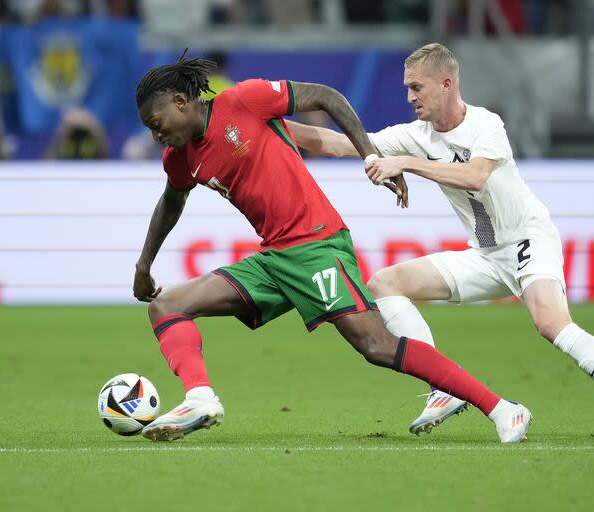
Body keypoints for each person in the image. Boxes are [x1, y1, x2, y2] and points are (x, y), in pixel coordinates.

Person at [131, 51, 532, 443]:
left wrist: (370, 154)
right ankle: (200, 398)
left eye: (156, 122)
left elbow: (325, 96)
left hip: (317, 243)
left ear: (181, 102)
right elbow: (172, 201)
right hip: (275, 259)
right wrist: (144, 264)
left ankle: (501, 407)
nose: (156, 134)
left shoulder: (242, 100)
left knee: (376, 345)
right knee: (166, 306)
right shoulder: (179, 159)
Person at [285, 43, 594, 442]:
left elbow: (475, 176)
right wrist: (273, 126)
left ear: (446, 83)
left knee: (551, 323)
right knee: (386, 282)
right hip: (486, 255)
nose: (409, 97)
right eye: (407, 88)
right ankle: (441, 387)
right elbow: (334, 143)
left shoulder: (485, 124)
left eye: (417, 87)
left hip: (527, 239)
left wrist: (405, 163)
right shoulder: (414, 135)